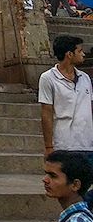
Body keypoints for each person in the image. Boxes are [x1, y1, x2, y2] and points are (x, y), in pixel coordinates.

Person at [39, 36, 93, 165]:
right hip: (64, 145)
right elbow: (46, 113)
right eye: (79, 51)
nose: (83, 54)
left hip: (87, 144)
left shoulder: (85, 78)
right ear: (69, 54)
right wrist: (48, 146)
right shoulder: (48, 78)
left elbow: (90, 108)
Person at [44, 151, 93, 222]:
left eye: (53, 176)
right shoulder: (74, 219)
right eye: (46, 174)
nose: (45, 180)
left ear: (75, 185)